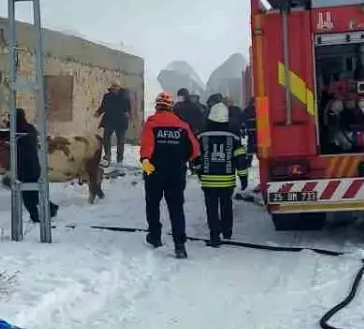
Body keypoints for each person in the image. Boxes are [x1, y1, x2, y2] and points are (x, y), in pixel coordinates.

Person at [139, 92, 199, 258]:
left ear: (157, 106)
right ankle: (180, 245)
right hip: (176, 173)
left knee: (152, 205)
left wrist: (147, 167)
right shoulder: (182, 125)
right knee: (176, 208)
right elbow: (195, 150)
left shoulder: (151, 123)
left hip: (155, 172)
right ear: (171, 106)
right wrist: (182, 161)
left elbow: (146, 149)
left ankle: (155, 236)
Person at [0, 108, 59, 224]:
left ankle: (37, 217)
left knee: (27, 197)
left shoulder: (19, 131)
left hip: (25, 169)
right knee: (34, 193)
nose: (9, 120)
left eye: (11, 118)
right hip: (34, 167)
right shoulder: (29, 128)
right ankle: (51, 209)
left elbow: (2, 135)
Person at [196, 102, 249, 247]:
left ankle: (214, 236)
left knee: (211, 208)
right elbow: (241, 160)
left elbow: (195, 157)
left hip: (208, 180)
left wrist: (199, 172)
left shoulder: (201, 137)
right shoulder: (234, 138)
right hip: (227, 181)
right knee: (226, 205)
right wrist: (243, 178)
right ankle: (227, 231)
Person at [94, 82, 131, 165]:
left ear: (119, 88)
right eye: (113, 88)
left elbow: (128, 108)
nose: (114, 89)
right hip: (109, 120)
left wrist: (127, 113)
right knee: (106, 139)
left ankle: (119, 159)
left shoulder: (124, 96)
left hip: (120, 122)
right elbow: (103, 106)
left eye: (115, 87)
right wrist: (98, 112)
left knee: (120, 141)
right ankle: (107, 156)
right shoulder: (107, 96)